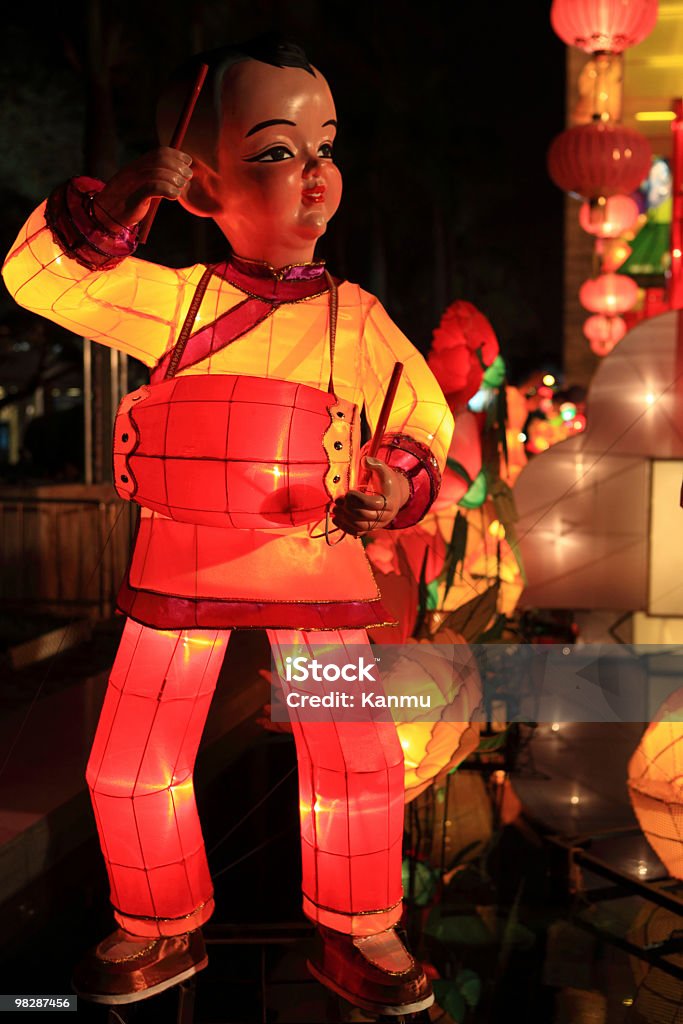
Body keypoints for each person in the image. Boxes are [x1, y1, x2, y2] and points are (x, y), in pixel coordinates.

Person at [3, 34, 453, 1015]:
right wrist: (115, 208)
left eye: (323, 147)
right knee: (132, 759)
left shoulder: (354, 318)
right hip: (183, 559)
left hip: (316, 562)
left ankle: (359, 920)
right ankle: (156, 921)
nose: (313, 173)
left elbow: (423, 416)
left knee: (353, 753)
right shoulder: (179, 299)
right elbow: (39, 282)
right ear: (200, 188)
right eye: (276, 150)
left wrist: (394, 479)